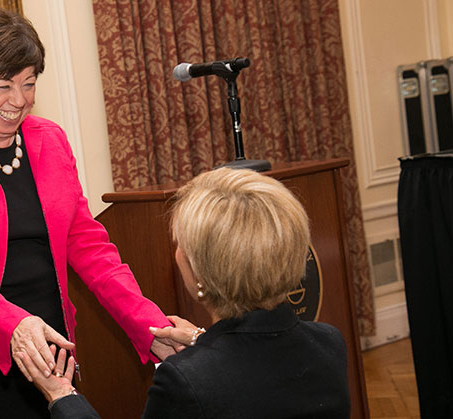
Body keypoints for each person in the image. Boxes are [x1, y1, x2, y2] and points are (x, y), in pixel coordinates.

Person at [0, 5, 176, 418]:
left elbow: (89, 246)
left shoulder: (49, 140)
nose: (18, 101)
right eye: (3, 86)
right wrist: (12, 324)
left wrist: (149, 325)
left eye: (28, 83)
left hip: (49, 346)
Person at [20, 168, 351, 418]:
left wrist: (63, 397)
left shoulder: (185, 382)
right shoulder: (328, 342)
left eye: (181, 245)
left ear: (199, 273)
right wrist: (204, 342)